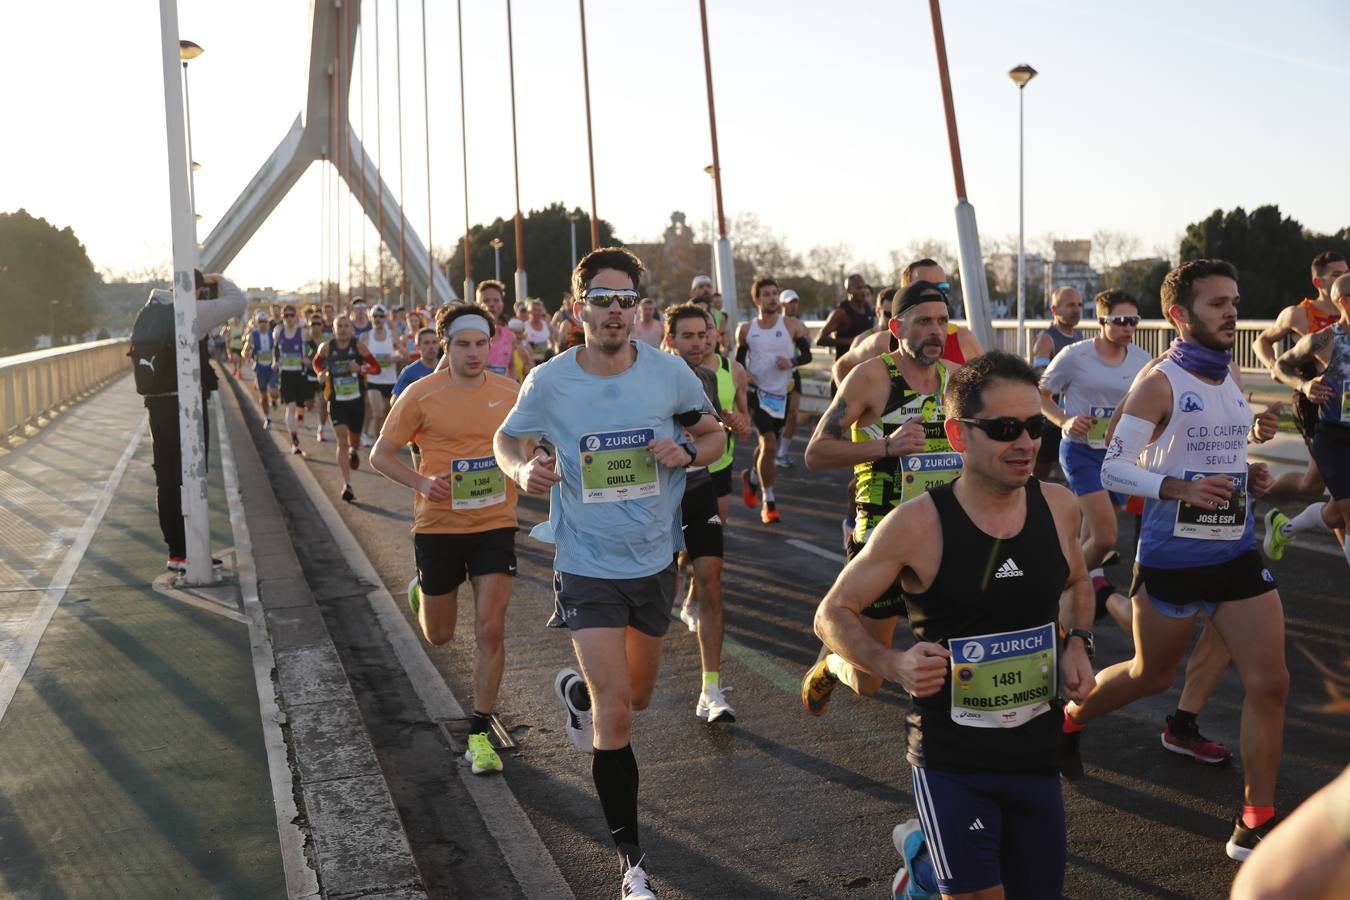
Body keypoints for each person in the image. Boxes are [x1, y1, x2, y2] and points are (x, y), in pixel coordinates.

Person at [815, 350, 1096, 900]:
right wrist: (892, 663)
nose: (1026, 443)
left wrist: (1079, 644)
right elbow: (832, 612)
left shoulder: (1060, 506)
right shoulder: (917, 524)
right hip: (953, 761)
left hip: (1036, 754)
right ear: (959, 435)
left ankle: (921, 865)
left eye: (1034, 425)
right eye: (1004, 429)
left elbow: (1079, 584)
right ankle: (928, 867)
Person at [493, 247, 723, 899]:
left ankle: (580, 695)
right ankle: (633, 867)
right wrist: (520, 470)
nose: (616, 311)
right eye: (603, 298)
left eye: (627, 300)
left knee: (638, 697)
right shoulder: (550, 381)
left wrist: (686, 449)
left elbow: (713, 438)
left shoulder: (669, 375)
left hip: (653, 560)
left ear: (639, 309)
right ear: (578, 308)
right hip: (585, 563)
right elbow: (509, 440)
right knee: (618, 719)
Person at [1067, 259, 1287, 861]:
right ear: (1179, 315)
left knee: (1271, 683)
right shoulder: (1158, 383)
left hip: (1235, 549)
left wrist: (1249, 466)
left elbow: (1215, 445)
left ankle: (1255, 818)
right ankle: (1066, 720)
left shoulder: (1229, 372)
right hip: (1171, 555)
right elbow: (1114, 465)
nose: (1232, 311)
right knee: (1151, 675)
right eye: (1218, 303)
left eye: (1234, 300)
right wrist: (1178, 488)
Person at [370, 304, 523, 776]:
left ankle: (479, 730)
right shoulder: (421, 394)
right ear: (445, 345)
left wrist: (529, 461)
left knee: (490, 628)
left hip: (496, 523)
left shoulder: (510, 391)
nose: (474, 353)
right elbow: (381, 454)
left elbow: (528, 442)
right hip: (438, 526)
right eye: (463, 344)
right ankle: (422, 590)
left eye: (481, 344)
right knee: (440, 636)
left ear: (491, 345)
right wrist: (420, 483)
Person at [801, 281, 963, 716]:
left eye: (943, 322)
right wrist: (885, 447)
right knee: (869, 681)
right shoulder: (873, 377)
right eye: (924, 321)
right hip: (881, 536)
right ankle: (834, 664)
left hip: (945, 536)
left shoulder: (956, 380)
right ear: (896, 326)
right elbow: (816, 453)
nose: (936, 331)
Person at [141, 271, 246, 572]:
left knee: (167, 474)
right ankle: (195, 551)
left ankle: (176, 551)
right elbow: (238, 301)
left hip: (157, 403)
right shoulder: (193, 309)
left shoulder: (153, 307)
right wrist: (220, 278)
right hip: (185, 404)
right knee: (193, 472)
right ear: (198, 290)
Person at [664, 303, 736, 724]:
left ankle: (711, 689)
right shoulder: (649, 377)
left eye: (701, 335)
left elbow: (713, 434)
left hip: (698, 487)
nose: (696, 342)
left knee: (710, 579)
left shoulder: (707, 378)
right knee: (650, 597)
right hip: (655, 497)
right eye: (686, 336)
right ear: (671, 339)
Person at [1266, 270, 1350, 564]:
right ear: (1346, 303)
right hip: (1335, 438)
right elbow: (1280, 366)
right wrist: (1304, 385)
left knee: (1336, 514)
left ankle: (1283, 527)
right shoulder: (1324, 340)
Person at [1253, 250, 1349, 498]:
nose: (1345, 277)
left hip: (1344, 402)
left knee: (1323, 484)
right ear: (1319, 282)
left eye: (1347, 272)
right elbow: (1261, 342)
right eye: (1338, 274)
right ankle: (1263, 491)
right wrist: (1276, 367)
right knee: (1318, 485)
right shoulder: (1299, 314)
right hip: (1313, 400)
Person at [735, 276, 813, 524]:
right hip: (757, 394)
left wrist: (792, 362)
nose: (771, 298)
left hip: (782, 394)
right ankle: (769, 501)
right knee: (769, 444)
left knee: (766, 449)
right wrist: (745, 375)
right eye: (766, 294)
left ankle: (753, 480)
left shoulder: (791, 325)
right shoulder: (747, 330)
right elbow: (738, 363)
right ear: (757, 299)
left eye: (774, 293)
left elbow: (808, 355)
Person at [833, 260, 983, 385]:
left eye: (942, 288)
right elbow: (841, 367)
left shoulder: (964, 339)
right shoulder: (882, 342)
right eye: (925, 286)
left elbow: (987, 389)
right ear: (905, 293)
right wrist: (869, 418)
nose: (935, 294)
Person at [312, 314, 382, 503]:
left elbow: (376, 368)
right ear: (333, 329)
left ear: (351, 329)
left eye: (346, 326)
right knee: (341, 439)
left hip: (356, 400)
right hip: (336, 400)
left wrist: (361, 369)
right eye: (339, 326)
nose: (342, 329)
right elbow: (316, 363)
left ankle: (354, 451)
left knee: (354, 441)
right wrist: (321, 373)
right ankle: (347, 485)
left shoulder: (358, 346)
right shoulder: (327, 347)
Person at [1031, 286, 1084, 481]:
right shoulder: (1046, 340)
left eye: (1079, 304)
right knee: (1039, 478)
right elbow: (1040, 382)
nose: (1077, 309)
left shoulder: (1078, 337)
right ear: (1055, 310)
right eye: (1070, 305)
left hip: (1072, 416)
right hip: (1049, 420)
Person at [776, 288, 809, 470]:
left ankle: (782, 453)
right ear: (782, 305)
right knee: (777, 418)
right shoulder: (774, 323)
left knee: (793, 414)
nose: (794, 305)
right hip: (773, 375)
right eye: (790, 302)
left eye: (796, 301)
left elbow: (807, 354)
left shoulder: (799, 325)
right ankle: (770, 448)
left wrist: (793, 361)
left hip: (792, 374)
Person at [272, 303, 310, 456]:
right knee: (291, 406)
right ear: (282, 317)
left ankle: (299, 416)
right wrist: (276, 361)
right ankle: (295, 442)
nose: (288, 318)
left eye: (291, 315)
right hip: (286, 374)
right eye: (285, 315)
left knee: (302, 407)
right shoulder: (278, 331)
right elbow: (275, 349)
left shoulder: (303, 333)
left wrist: (307, 358)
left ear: (296, 316)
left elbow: (313, 347)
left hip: (300, 375)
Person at [362, 304, 400, 443]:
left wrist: (394, 358)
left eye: (381, 316)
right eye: (375, 316)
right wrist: (364, 365)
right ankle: (377, 443)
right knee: (377, 413)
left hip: (390, 380)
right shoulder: (365, 337)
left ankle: (383, 439)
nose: (377, 319)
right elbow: (359, 358)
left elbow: (403, 354)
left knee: (387, 414)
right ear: (370, 318)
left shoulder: (393, 335)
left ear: (385, 318)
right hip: (373, 380)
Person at [816, 273, 876, 361]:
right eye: (858, 288)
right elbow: (819, 339)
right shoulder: (841, 312)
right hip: (846, 366)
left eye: (863, 287)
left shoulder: (868, 308)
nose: (863, 291)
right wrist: (849, 341)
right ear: (848, 290)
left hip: (865, 364)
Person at [241, 309, 278, 428]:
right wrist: (246, 352)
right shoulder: (253, 335)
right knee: (263, 396)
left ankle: (274, 400)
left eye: (265, 321)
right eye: (260, 321)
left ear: (267, 322)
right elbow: (244, 351)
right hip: (260, 368)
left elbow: (278, 348)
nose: (263, 323)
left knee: (273, 392)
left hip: (272, 367)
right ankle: (267, 418)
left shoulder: (272, 334)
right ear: (257, 323)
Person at [393, 327, 441, 399]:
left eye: (434, 342)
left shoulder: (449, 368)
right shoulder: (409, 372)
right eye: (426, 343)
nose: (431, 347)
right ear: (417, 347)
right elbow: (395, 401)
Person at [304, 314, 330, 443]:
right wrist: (303, 360)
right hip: (309, 374)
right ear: (309, 326)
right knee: (309, 404)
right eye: (313, 324)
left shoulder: (327, 340)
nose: (315, 327)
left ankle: (321, 428)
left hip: (323, 374)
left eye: (318, 324)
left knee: (323, 402)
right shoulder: (305, 340)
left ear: (322, 326)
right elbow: (299, 354)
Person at [524, 299, 555, 364]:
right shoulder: (525, 326)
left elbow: (552, 343)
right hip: (531, 361)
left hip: (546, 360)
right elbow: (523, 346)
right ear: (529, 311)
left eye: (539, 310)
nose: (537, 313)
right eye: (534, 310)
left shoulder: (546, 324)